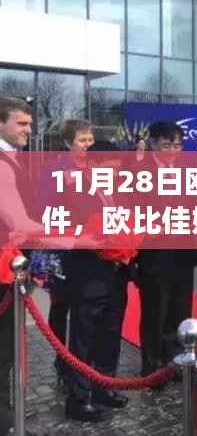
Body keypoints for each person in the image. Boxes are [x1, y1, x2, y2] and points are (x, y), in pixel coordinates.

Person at [62, 134, 129, 423]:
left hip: (117, 275)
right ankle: (78, 399)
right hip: (88, 275)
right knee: (83, 339)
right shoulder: (73, 190)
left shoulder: (118, 190)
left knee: (110, 335)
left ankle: (104, 387)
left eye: (117, 169)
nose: (115, 175)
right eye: (109, 169)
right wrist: (96, 240)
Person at [38, 119, 96, 387]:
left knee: (84, 310)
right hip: (64, 250)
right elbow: (47, 210)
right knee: (61, 307)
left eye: (89, 139)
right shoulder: (54, 170)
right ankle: (62, 360)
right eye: (82, 140)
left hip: (91, 250)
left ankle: (81, 362)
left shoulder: (94, 168)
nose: (88, 144)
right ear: (67, 142)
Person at [136, 121, 194, 377]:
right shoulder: (139, 173)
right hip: (154, 256)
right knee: (154, 312)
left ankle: (175, 360)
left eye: (177, 145)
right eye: (166, 145)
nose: (172, 150)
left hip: (182, 255)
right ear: (152, 143)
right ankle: (152, 366)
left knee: (180, 310)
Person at [0, 96, 43, 436]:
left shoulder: (13, 159)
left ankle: (6, 409)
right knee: (3, 349)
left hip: (11, 266)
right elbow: (19, 221)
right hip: (3, 271)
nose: (29, 130)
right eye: (22, 123)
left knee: (8, 349)